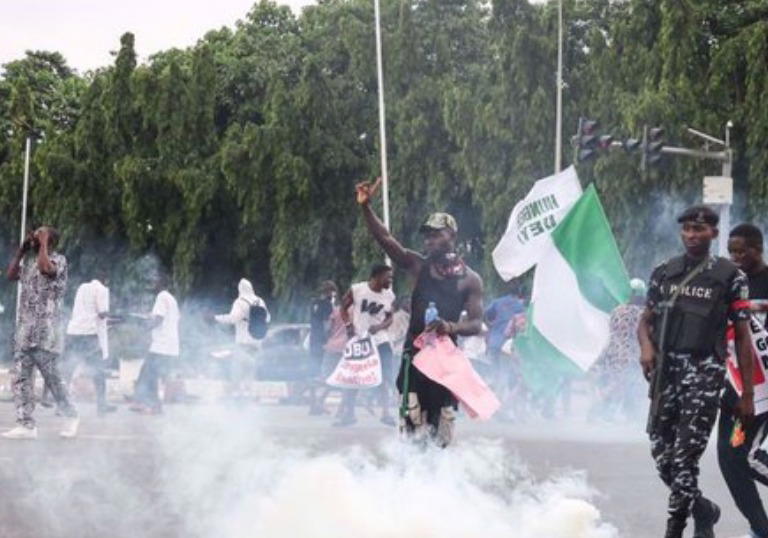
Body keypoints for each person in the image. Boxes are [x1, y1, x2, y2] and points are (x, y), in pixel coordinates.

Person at [637, 205, 755, 538]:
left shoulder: (731, 276)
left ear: (713, 234)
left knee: (685, 458)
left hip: (704, 373)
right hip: (666, 375)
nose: (692, 235)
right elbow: (644, 321)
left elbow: (743, 338)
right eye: (687, 229)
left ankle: (674, 530)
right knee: (663, 458)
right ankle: (704, 509)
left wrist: (746, 394)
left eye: (699, 230)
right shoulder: (664, 272)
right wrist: (646, 347)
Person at [356, 177, 484, 447]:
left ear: (452, 236)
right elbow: (385, 238)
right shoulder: (418, 265)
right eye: (426, 236)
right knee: (412, 417)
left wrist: (449, 327)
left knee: (443, 423)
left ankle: (439, 478)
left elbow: (475, 323)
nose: (429, 241)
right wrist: (366, 207)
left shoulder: (470, 280)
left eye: (436, 234)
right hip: (414, 354)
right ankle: (412, 477)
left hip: (445, 359)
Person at [3, 226, 79, 439]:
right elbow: (10, 275)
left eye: (39, 235)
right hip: (25, 330)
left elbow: (46, 269)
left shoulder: (58, 260)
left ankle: (71, 415)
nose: (35, 237)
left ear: (50, 240)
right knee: (21, 379)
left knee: (52, 377)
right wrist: (21, 250)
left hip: (46, 331)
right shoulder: (29, 263)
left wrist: (43, 242)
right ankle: (26, 424)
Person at [718, 223, 768, 538]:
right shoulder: (726, 283)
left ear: (758, 248)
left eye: (742, 251)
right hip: (734, 390)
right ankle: (760, 528)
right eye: (731, 251)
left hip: (763, 390)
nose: (736, 257)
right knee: (729, 458)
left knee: (747, 458)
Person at [336, 264, 396, 427]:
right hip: (360, 340)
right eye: (388, 277)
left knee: (385, 376)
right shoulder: (357, 289)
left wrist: (380, 327)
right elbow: (343, 307)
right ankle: (349, 414)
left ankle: (386, 413)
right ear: (376, 276)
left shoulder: (389, 295)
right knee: (353, 378)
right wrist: (348, 325)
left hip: (381, 340)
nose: (390, 280)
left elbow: (390, 318)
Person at [588, 278, 646, 422]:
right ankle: (603, 411)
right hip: (630, 355)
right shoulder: (642, 313)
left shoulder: (617, 310)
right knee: (625, 385)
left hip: (613, 352)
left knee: (619, 384)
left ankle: (616, 412)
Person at [62, 269, 116, 415]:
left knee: (68, 370)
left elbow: (87, 313)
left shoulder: (82, 288)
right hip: (89, 335)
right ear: (105, 278)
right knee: (98, 371)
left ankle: (61, 405)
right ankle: (102, 405)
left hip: (73, 332)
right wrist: (117, 317)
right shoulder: (103, 289)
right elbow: (102, 313)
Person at [131, 276, 180, 414]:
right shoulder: (171, 299)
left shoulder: (161, 296)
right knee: (149, 374)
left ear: (161, 284)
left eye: (155, 281)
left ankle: (150, 404)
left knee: (148, 375)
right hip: (169, 346)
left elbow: (159, 319)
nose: (152, 284)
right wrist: (148, 317)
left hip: (161, 345)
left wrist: (144, 329)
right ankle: (149, 404)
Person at [214, 278, 269, 398]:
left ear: (240, 289)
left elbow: (233, 318)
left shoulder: (240, 302)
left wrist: (216, 318)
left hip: (243, 345)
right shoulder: (260, 301)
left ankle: (238, 403)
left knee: (237, 375)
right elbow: (268, 318)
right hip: (257, 345)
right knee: (250, 376)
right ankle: (249, 404)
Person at [484, 284, 525, 390]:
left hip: (494, 343)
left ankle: (494, 398)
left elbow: (487, 314)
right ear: (518, 293)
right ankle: (507, 400)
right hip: (508, 347)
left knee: (494, 374)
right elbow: (521, 325)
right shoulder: (519, 306)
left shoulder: (497, 302)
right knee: (509, 374)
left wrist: (491, 325)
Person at [308, 280, 337, 415]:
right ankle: (319, 403)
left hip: (313, 341)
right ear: (331, 292)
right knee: (326, 374)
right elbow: (327, 324)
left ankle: (313, 405)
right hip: (322, 343)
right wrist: (330, 337)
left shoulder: (314, 303)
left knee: (313, 373)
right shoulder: (327, 305)